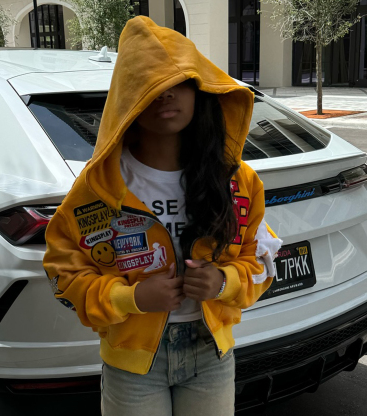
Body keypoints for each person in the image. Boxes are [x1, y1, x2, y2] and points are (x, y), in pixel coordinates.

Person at [43, 16, 282, 416]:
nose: (166, 94)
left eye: (179, 82)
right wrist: (131, 298)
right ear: (127, 98)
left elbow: (262, 261)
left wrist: (223, 282)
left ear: (199, 89)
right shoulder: (99, 187)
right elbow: (63, 273)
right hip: (132, 364)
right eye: (150, 84)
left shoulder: (237, 182)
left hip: (211, 355)